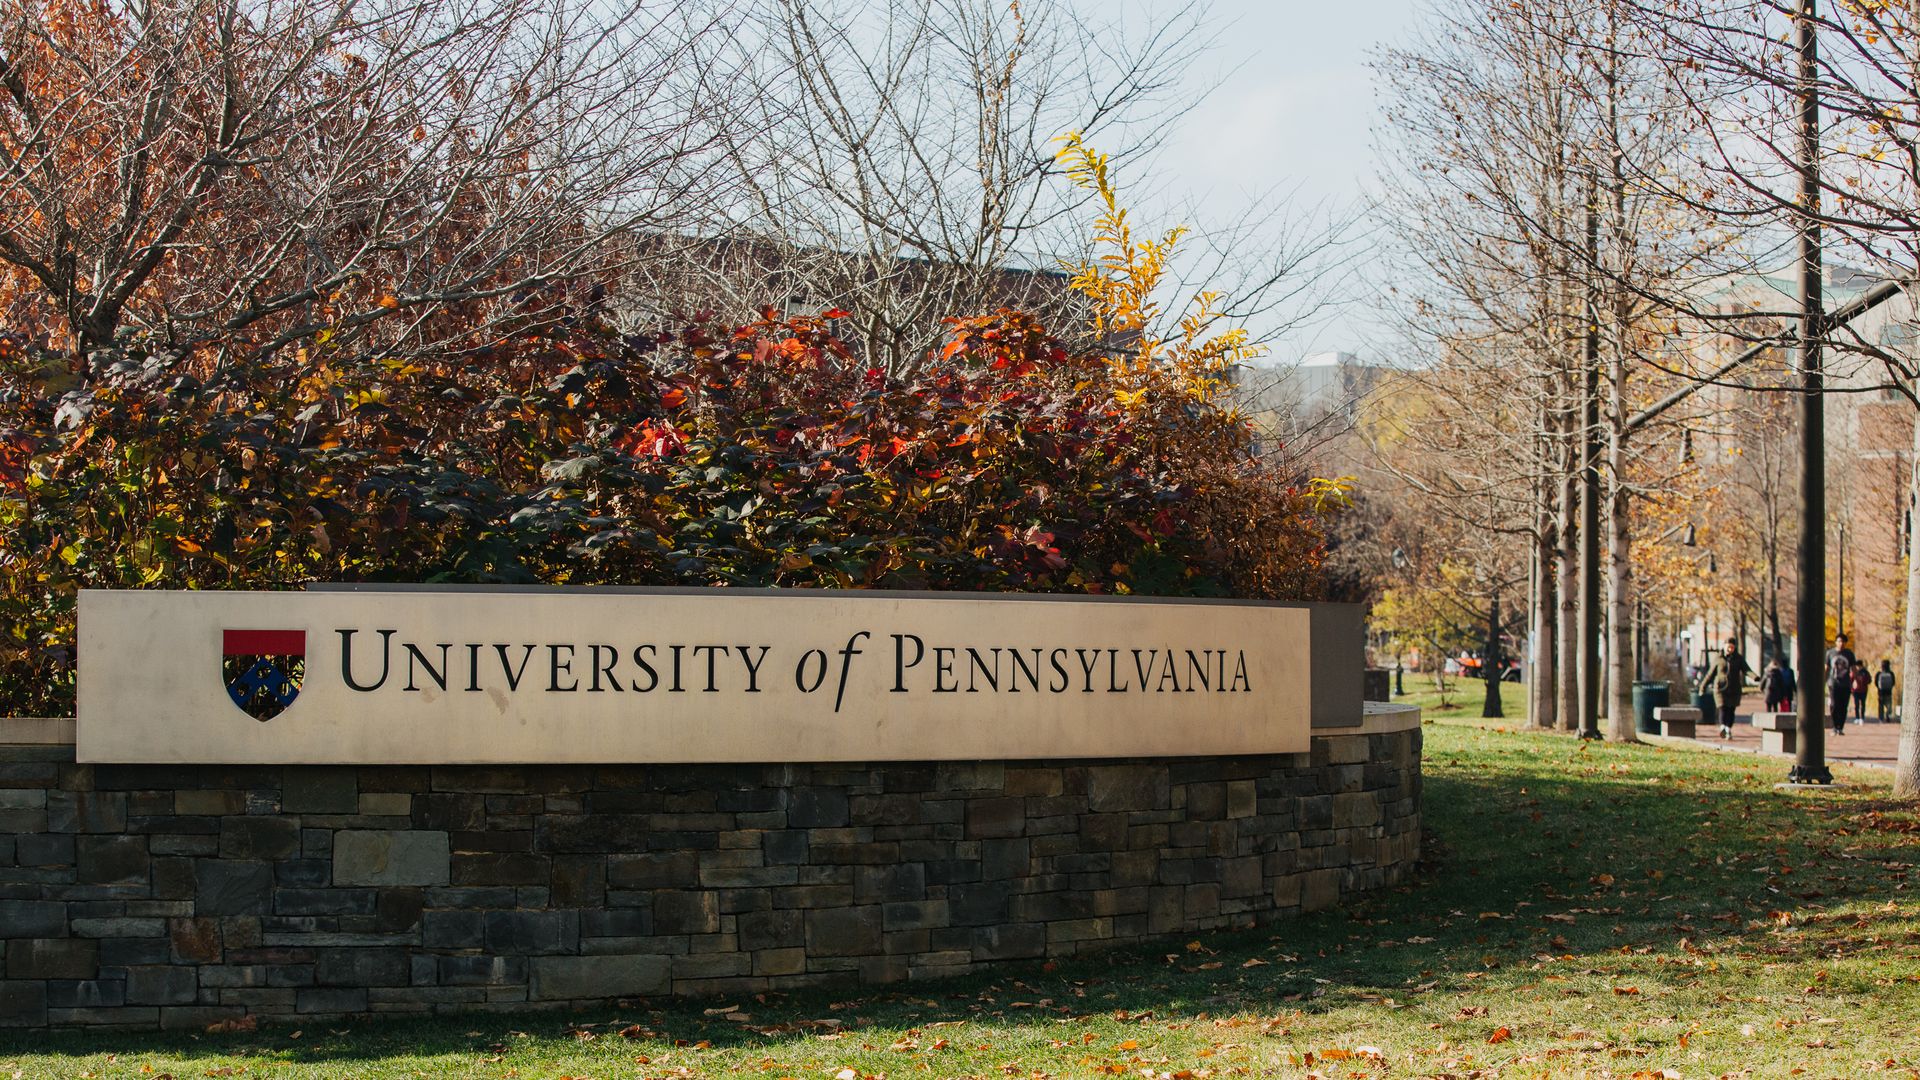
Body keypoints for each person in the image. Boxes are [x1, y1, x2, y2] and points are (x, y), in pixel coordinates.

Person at [1699, 637, 1751, 740]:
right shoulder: (1718, 659)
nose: (1730, 649)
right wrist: (1702, 687)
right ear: (1724, 646)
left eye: (1732, 647)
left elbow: (1746, 670)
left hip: (1734, 689)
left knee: (1731, 710)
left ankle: (1728, 729)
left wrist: (1755, 677)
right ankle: (1723, 727)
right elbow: (1710, 674)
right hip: (1720, 689)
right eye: (1728, 647)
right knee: (1722, 707)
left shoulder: (1739, 659)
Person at [1827, 634, 1857, 736]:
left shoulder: (1849, 654)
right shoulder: (1830, 653)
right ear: (1836, 642)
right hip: (1833, 683)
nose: (1841, 643)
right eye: (1839, 641)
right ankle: (1834, 727)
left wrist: (1855, 680)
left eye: (1843, 641)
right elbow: (1826, 668)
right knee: (1834, 705)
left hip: (1845, 684)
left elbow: (1853, 668)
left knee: (1843, 706)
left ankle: (1840, 727)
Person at [1875, 660, 1896, 724]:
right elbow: (1893, 682)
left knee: (1881, 706)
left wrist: (1879, 688)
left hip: (1880, 693)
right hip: (1888, 692)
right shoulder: (1891, 673)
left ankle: (1881, 718)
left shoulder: (1879, 673)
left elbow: (1876, 683)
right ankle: (1887, 716)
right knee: (1889, 706)